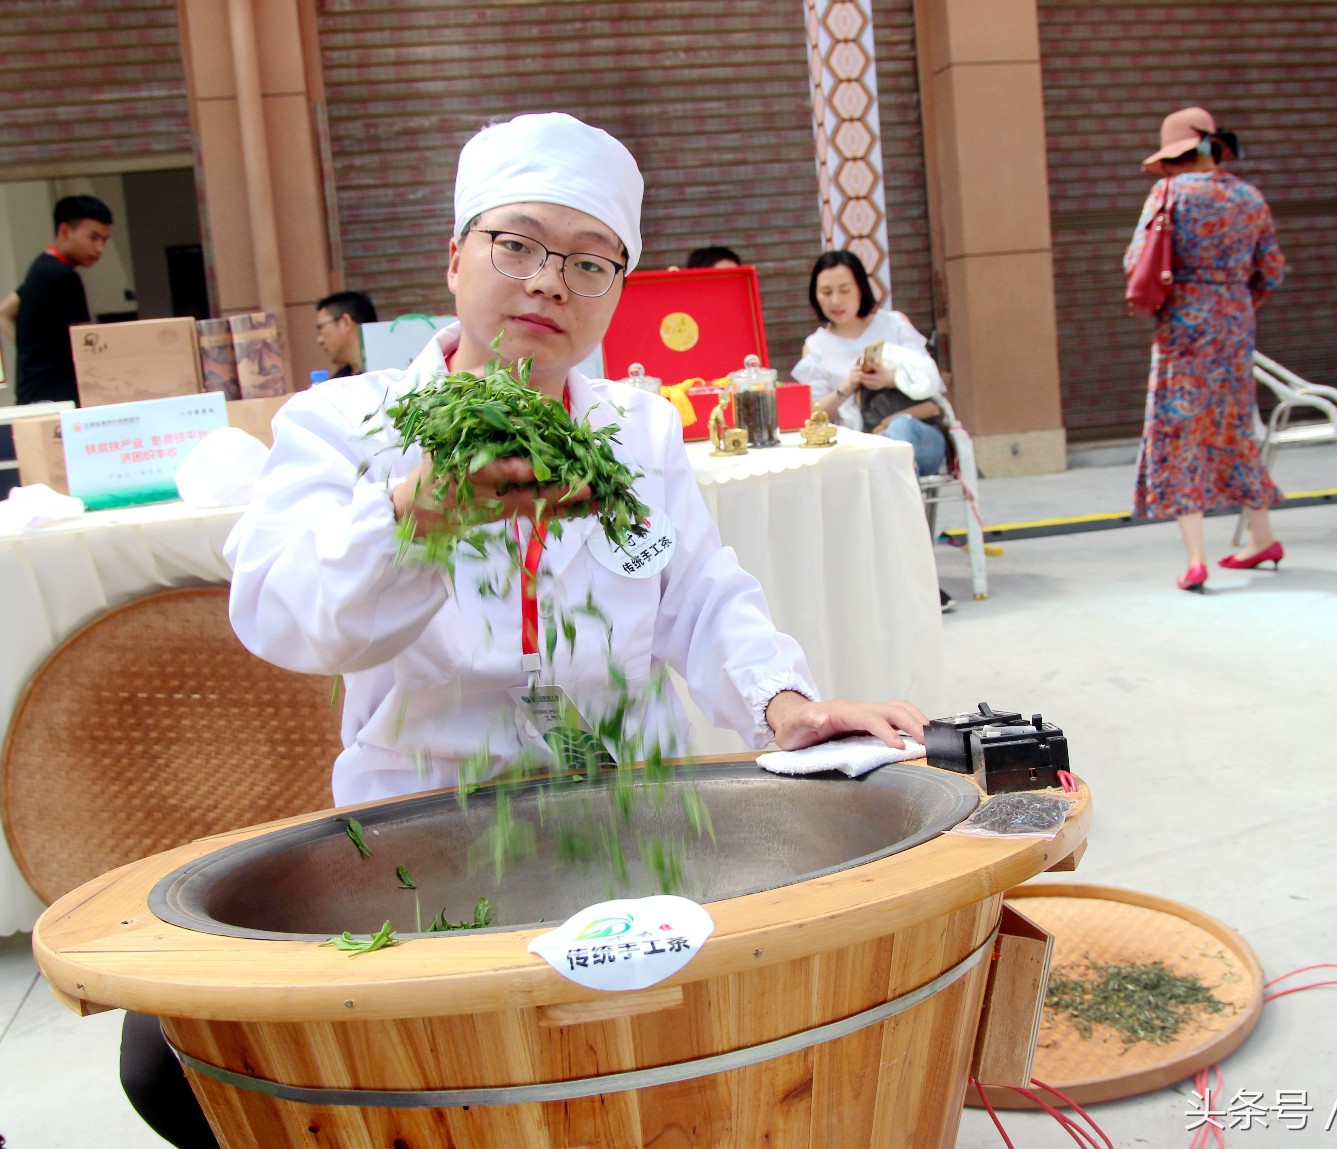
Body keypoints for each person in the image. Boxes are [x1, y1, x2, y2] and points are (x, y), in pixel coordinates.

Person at [120, 112, 929, 1148]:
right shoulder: (350, 429)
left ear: (617, 293)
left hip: (621, 818)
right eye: (518, 245)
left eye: (589, 262)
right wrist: (416, 513)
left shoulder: (632, 430)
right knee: (177, 1054)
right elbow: (282, 615)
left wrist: (784, 703)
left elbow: (697, 591)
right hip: (420, 835)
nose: (549, 281)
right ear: (454, 258)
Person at [1124, 107, 1287, 592]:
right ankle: (1263, 538)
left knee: (1180, 430)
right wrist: (1235, 298)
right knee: (1233, 426)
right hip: (1235, 324)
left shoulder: (1168, 194)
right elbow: (1272, 270)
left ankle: (1196, 558)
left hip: (1182, 328)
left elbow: (1137, 260)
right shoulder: (1249, 197)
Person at [791, 250, 955, 610]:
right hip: (862, 448)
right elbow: (810, 413)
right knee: (877, 464)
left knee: (895, 441)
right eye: (826, 291)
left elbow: (935, 391)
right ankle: (905, 579)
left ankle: (913, 580)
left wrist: (892, 379)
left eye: (844, 290)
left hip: (918, 438)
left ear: (862, 289)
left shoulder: (894, 324)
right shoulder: (817, 347)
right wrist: (848, 386)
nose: (835, 300)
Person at [0, 195, 113, 405]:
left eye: (104, 241)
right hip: (57, 399)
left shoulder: (40, 268)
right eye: (93, 238)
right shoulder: (63, 276)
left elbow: (4, 312)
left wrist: (31, 352)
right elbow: (88, 344)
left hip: (33, 395)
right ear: (64, 231)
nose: (99, 249)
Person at [313, 289, 378, 377]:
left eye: (321, 328)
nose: (320, 340)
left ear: (345, 322)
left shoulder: (393, 375)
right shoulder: (337, 383)